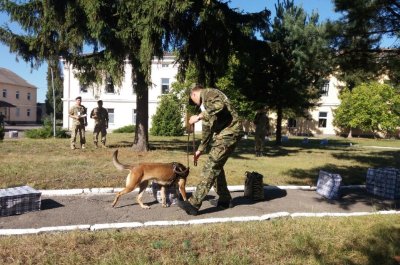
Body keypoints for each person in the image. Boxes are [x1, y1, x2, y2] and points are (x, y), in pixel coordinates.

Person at [177, 85, 243, 216]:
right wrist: (200, 149)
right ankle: (225, 199)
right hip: (225, 134)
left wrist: (198, 116)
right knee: (217, 166)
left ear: (194, 94)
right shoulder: (206, 105)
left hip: (229, 133)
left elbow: (220, 105)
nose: (195, 104)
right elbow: (208, 127)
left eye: (192, 100)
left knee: (211, 167)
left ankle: (193, 204)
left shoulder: (209, 93)